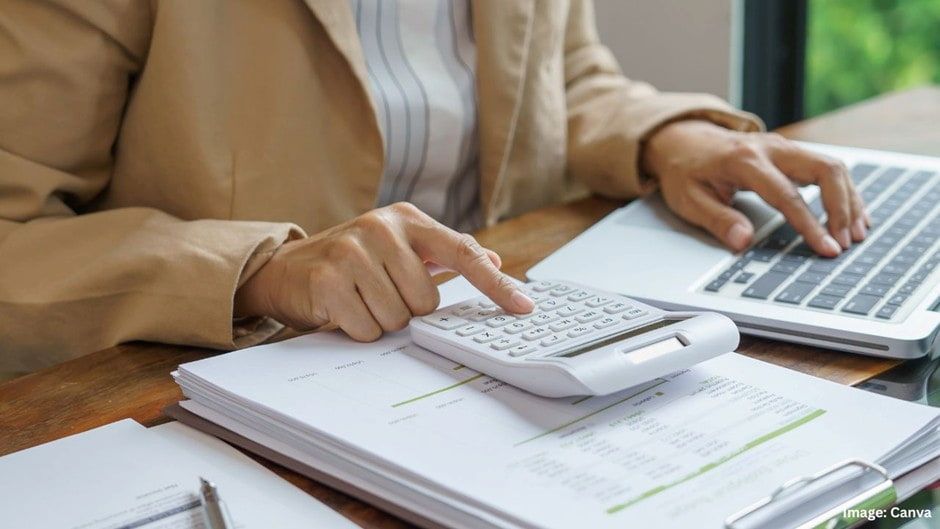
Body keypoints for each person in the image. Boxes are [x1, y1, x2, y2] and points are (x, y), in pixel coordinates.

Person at [0, 0, 867, 378]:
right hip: (233, 379)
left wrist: (667, 136)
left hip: (502, 350)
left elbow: (565, 77)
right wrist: (264, 269)